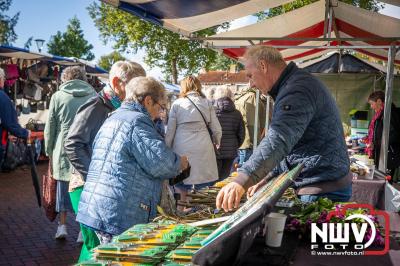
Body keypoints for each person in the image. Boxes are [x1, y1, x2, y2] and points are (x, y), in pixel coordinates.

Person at [216, 46, 351, 212]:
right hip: (322, 182)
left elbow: (278, 139)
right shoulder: (294, 84)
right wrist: (267, 175)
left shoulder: (296, 90)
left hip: (322, 187)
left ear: (263, 66)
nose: (251, 84)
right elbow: (292, 144)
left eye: (250, 76)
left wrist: (242, 180)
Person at [77, 77, 189, 243]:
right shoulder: (137, 121)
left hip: (101, 207)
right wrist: (180, 162)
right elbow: (162, 164)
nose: (160, 113)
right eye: (161, 107)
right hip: (117, 212)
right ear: (148, 101)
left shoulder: (114, 117)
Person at [64, 61, 145, 261]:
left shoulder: (119, 107)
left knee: (102, 248)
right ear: (117, 83)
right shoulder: (95, 106)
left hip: (102, 188)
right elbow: (73, 144)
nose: (140, 93)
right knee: (95, 247)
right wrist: (95, 176)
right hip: (86, 186)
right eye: (135, 86)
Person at [44, 66, 96, 239]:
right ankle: (83, 230)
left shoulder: (58, 96)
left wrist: (48, 149)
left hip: (63, 148)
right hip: (87, 149)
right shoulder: (94, 96)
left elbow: (50, 125)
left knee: (62, 189)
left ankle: (62, 226)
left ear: (65, 79)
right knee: (84, 189)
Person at [165, 76, 222, 202]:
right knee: (203, 185)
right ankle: (200, 213)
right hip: (204, 146)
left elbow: (170, 131)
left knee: (181, 183)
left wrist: (167, 149)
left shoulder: (177, 104)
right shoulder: (207, 103)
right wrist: (217, 141)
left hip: (182, 147)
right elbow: (217, 129)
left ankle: (181, 211)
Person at [365, 91, 400, 178]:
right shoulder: (380, 114)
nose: (371, 106)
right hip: (383, 153)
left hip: (389, 155)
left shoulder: (389, 114)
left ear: (379, 101)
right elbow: (380, 132)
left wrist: (375, 143)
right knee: (382, 179)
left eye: (372, 104)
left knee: (385, 181)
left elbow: (394, 135)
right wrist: (369, 138)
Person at [0, 67, 30, 167]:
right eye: (4, 78)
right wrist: (25, 133)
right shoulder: (2, 97)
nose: (4, 81)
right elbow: (10, 123)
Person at [213, 86, 245, 180]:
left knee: (214, 178)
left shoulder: (212, 112)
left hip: (215, 149)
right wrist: (235, 145)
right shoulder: (237, 113)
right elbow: (241, 134)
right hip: (231, 150)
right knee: (226, 177)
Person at [234, 86, 266, 166]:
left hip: (241, 138)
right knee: (246, 166)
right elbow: (253, 122)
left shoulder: (240, 97)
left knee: (241, 164)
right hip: (249, 140)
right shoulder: (252, 97)